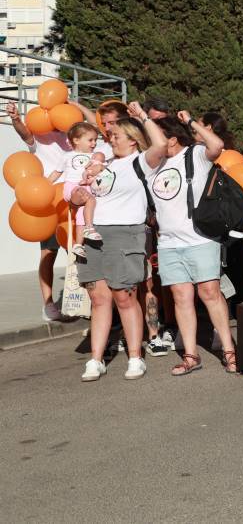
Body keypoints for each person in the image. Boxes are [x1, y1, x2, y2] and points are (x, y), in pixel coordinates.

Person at [138, 111, 238, 375]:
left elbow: (217, 146)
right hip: (168, 243)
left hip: (200, 239)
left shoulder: (193, 155)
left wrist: (191, 122)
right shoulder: (153, 164)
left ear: (171, 139)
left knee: (210, 293)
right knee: (181, 298)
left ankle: (229, 350)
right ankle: (191, 355)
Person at [77, 106, 167, 381]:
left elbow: (161, 143)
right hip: (95, 233)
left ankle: (135, 357)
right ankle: (96, 359)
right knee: (98, 297)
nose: (111, 138)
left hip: (125, 232)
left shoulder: (141, 162)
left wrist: (143, 116)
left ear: (132, 138)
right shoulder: (106, 165)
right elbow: (85, 197)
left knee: (124, 296)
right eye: (111, 134)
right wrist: (78, 196)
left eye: (116, 135)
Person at [5, 101, 75, 320]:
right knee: (48, 253)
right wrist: (16, 118)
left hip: (72, 201)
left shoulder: (72, 137)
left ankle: (80, 301)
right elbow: (25, 134)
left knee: (76, 254)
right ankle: (48, 304)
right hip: (48, 202)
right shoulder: (39, 136)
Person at [48, 122, 106, 257]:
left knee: (81, 217)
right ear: (76, 140)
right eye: (90, 140)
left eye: (95, 140)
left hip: (86, 188)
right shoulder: (67, 156)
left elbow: (102, 169)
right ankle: (90, 228)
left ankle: (79, 245)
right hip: (72, 187)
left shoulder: (93, 157)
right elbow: (57, 172)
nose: (94, 143)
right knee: (91, 201)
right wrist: (46, 183)